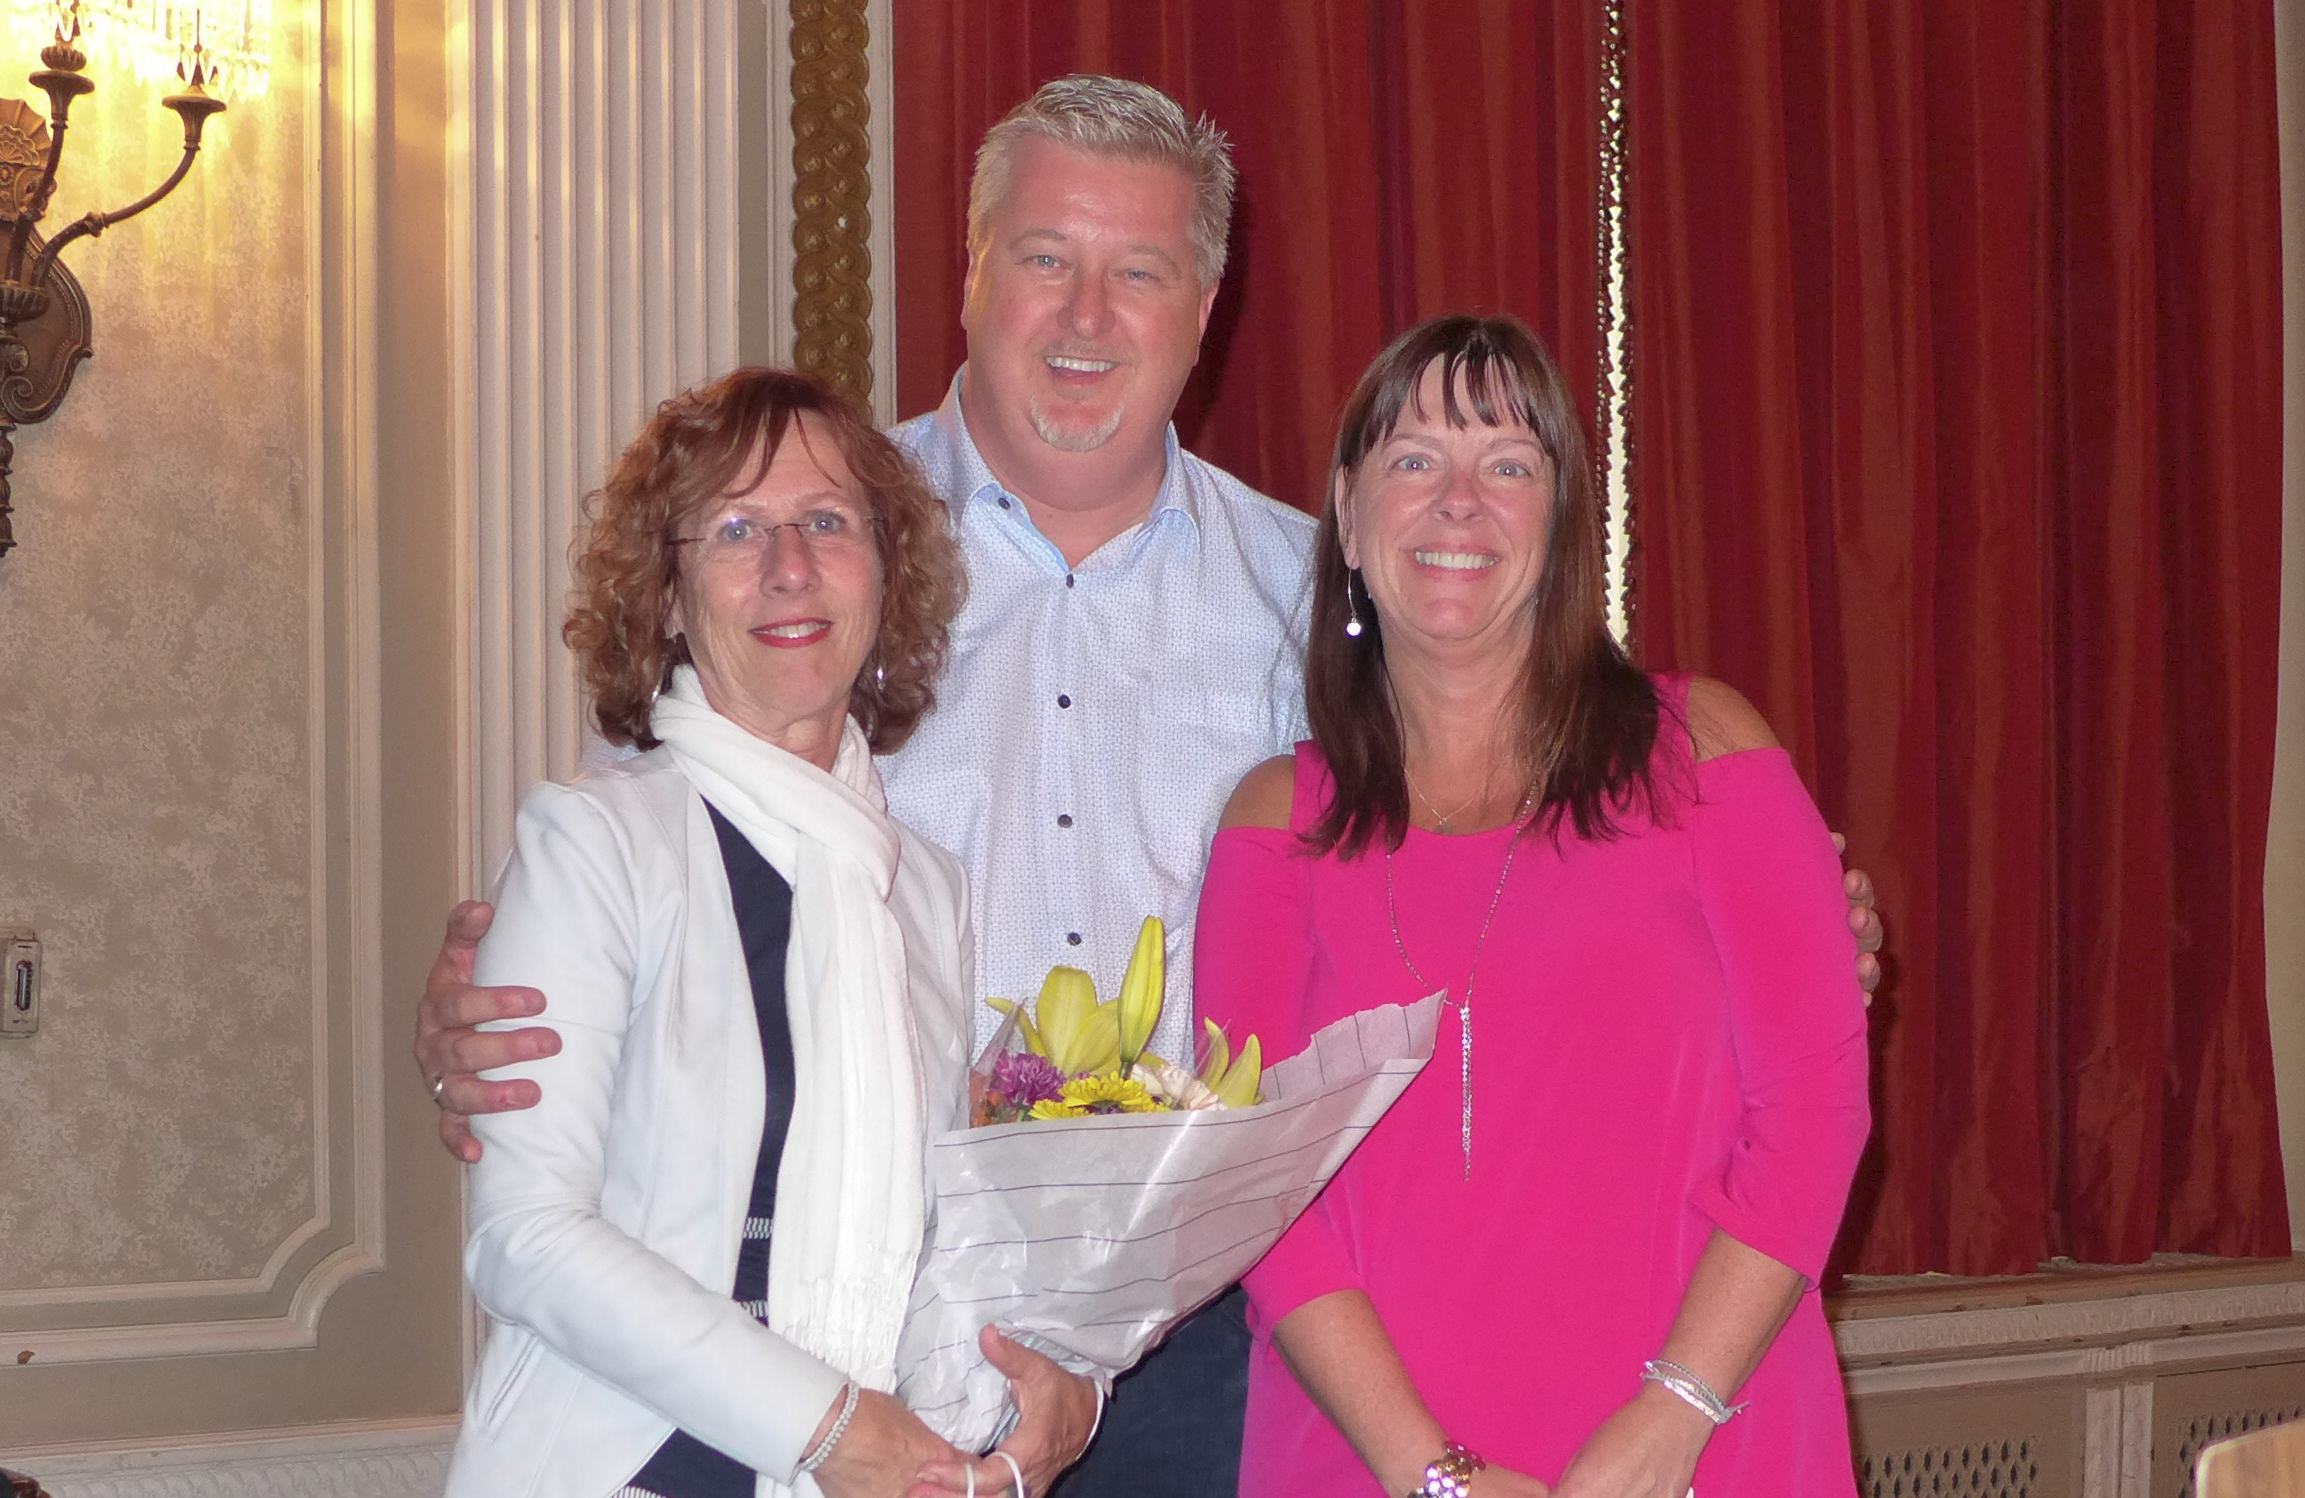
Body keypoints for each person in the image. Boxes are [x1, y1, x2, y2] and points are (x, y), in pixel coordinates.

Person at [416, 78, 1884, 1497]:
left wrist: (1801, 933)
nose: (1086, 315)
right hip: (870, 1336)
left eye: (1142, 271)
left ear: (1203, 315)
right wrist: (481, 1009)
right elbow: (651, 874)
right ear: (974, 271)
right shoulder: (818, 563)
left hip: (1214, 1351)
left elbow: (1545, 858)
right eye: (1046, 258)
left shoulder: (1315, 601)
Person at [1195, 315, 1870, 1497]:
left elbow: (1813, 1112)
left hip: (1705, 1439)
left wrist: (1672, 1417)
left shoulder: (1705, 748)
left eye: (1508, 463)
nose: (1459, 500)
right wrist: (1437, 1477)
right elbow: (1253, 1187)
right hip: (1365, 1462)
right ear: (1346, 518)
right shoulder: (1271, 821)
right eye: (1414, 459)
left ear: (1559, 521)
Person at [442, 368, 1097, 1498]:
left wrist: (1037, 1396)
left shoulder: (925, 891)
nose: (790, 566)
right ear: (664, 595)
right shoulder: (594, 846)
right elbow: (523, 1235)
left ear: (885, 577)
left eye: (827, 522)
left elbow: (938, 1235)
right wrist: (827, 1425)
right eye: (737, 527)